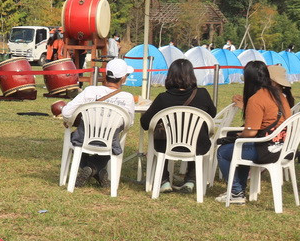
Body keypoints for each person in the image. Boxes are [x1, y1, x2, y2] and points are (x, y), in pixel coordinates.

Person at [217, 61, 292, 205]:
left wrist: (240, 136)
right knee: (241, 146)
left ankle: (236, 192)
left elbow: (250, 134)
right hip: (284, 146)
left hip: (267, 149)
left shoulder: (257, 98)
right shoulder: (280, 95)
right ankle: (239, 190)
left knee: (223, 152)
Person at [140, 58, 217, 193]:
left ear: (170, 76)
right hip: (196, 145)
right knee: (196, 134)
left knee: (159, 138)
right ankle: (191, 180)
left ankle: (164, 181)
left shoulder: (163, 98)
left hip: (168, 145)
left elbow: (145, 123)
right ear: (191, 75)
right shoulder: (202, 94)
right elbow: (213, 113)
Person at [60, 58, 136, 188]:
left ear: (106, 75)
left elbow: (66, 113)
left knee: (73, 136)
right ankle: (96, 169)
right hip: (110, 142)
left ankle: (89, 168)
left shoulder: (90, 91)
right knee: (111, 139)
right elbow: (129, 123)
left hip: (83, 138)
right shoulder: (127, 97)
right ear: (123, 78)